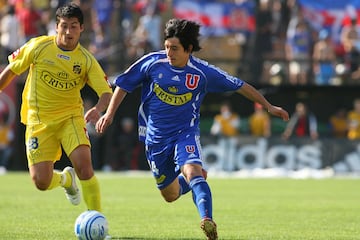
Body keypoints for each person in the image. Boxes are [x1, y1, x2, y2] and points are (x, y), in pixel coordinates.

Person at [95, 18, 289, 240]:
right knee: (170, 195)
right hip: (155, 139)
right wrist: (109, 114)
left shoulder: (202, 72)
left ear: (188, 49)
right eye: (167, 47)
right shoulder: (152, 62)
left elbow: (240, 85)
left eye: (175, 48)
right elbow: (123, 84)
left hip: (184, 133)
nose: (169, 52)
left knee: (193, 171)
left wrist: (268, 106)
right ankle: (191, 182)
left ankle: (207, 219)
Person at [0, 3, 112, 212]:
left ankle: (97, 220)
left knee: (84, 167)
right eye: (64, 26)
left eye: (74, 26)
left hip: (70, 118)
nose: (68, 32)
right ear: (56, 26)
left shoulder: (86, 60)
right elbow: (12, 70)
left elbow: (106, 91)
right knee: (41, 181)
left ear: (81, 29)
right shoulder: (38, 46)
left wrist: (99, 108)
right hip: (38, 120)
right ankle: (65, 180)